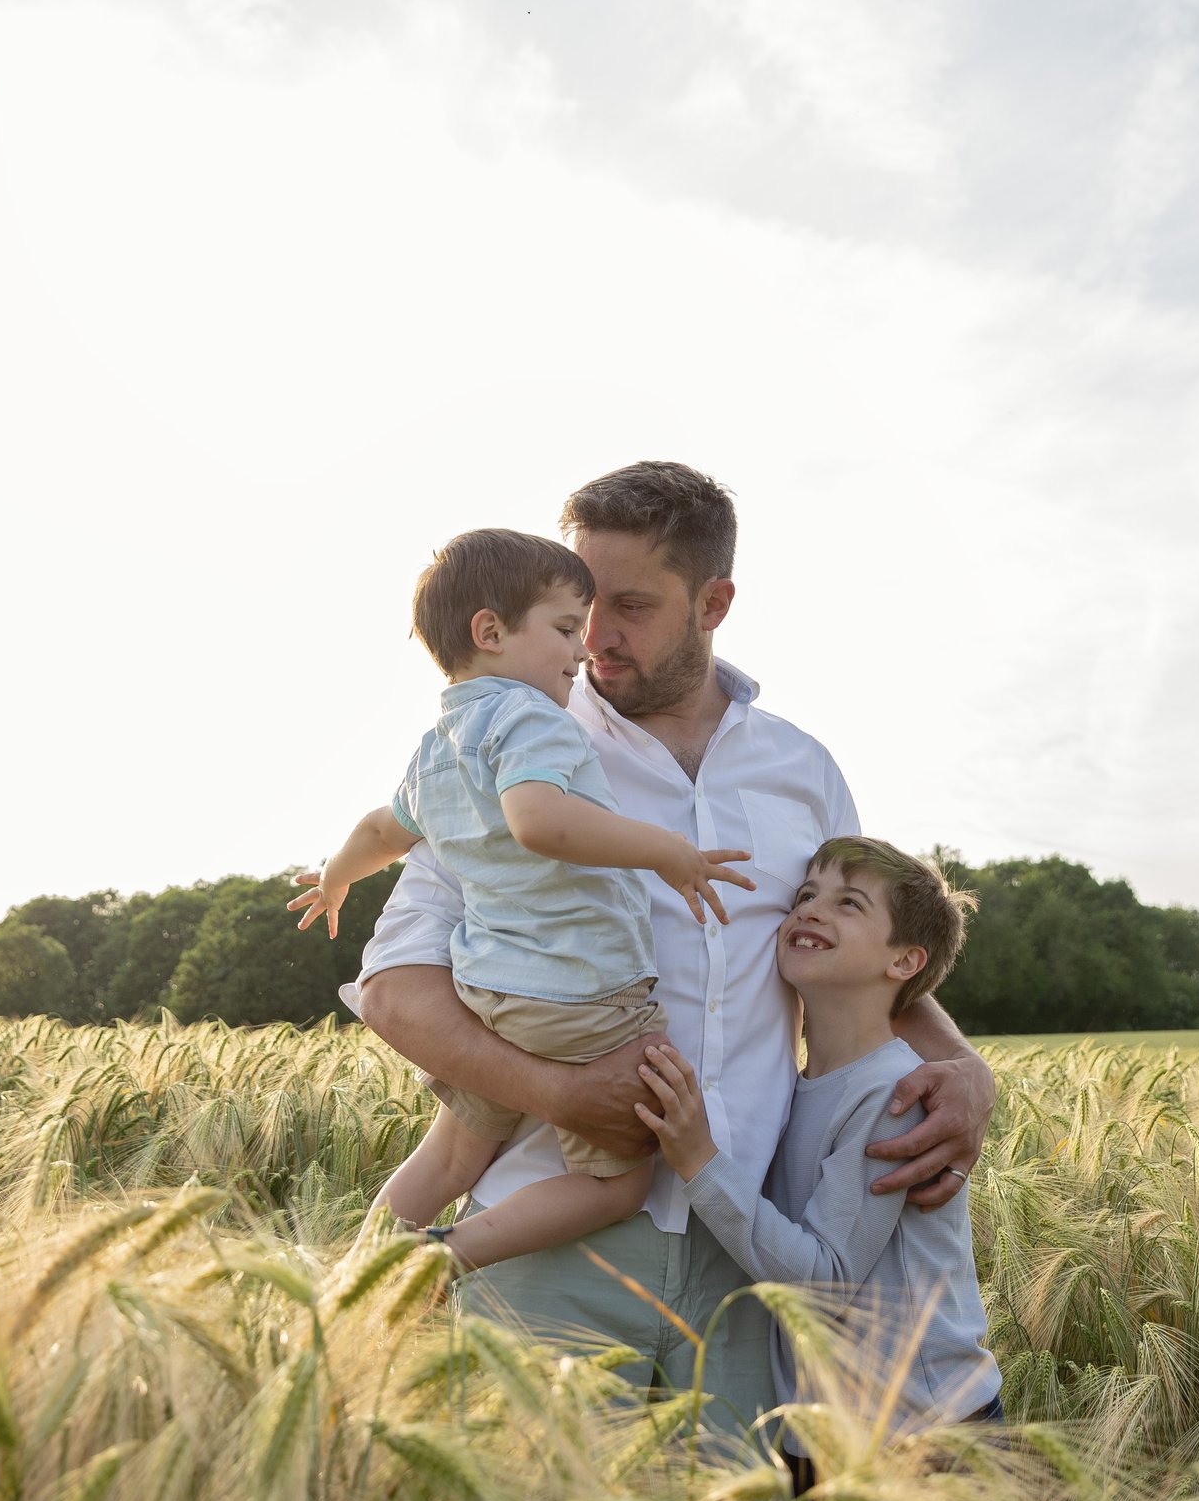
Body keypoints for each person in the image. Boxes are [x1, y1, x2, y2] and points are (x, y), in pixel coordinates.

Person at [341, 462, 997, 1431]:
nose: (597, 635)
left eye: (632, 606)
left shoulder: (801, 770)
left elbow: (860, 959)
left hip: (746, 1263)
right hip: (549, 1240)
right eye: (582, 606)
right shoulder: (521, 747)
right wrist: (562, 1094)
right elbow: (397, 991)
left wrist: (960, 1063)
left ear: (715, 600)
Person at [289, 527, 754, 1270]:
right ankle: (450, 1254)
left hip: (491, 991)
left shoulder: (438, 743)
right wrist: (666, 849)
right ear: (491, 631)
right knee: (619, 1184)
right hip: (579, 993)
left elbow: (384, 827)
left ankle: (361, 1272)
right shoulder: (532, 717)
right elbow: (538, 821)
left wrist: (337, 875)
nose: (583, 649)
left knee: (450, 1154)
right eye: (567, 628)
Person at [630, 837, 1002, 1501]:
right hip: (820, 1432)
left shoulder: (892, 1091)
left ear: (904, 960)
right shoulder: (789, 1088)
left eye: (848, 902)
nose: (813, 909)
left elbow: (825, 1281)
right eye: (805, 895)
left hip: (919, 1433)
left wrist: (698, 1160)